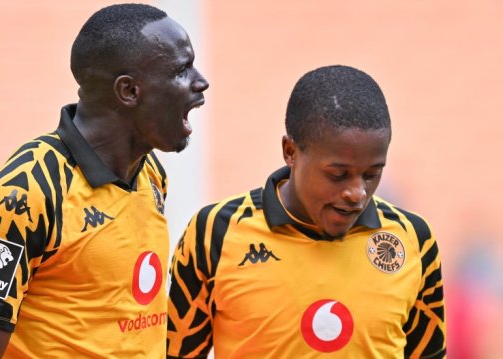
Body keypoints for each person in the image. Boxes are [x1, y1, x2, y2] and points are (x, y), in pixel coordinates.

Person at [0, 3, 208, 358]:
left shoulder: (150, 173)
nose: (200, 81)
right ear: (128, 91)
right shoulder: (26, 191)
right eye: (181, 70)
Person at [167, 65, 445, 358]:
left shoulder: (414, 240)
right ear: (290, 151)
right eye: (338, 175)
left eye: (372, 174)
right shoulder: (215, 232)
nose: (357, 193)